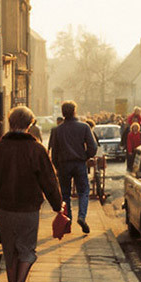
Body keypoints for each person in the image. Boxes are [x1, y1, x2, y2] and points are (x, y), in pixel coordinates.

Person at [0, 106, 64, 282]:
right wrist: (57, 205)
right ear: (30, 124)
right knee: (27, 250)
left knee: (10, 251)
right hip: (29, 208)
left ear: (10, 123)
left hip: (5, 207)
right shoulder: (36, 149)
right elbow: (49, 180)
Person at [48, 100, 97, 233]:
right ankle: (81, 216)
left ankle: (67, 220)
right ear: (75, 111)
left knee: (65, 194)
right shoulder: (84, 127)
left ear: (63, 113)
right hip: (79, 163)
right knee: (83, 191)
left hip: (64, 164)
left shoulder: (57, 130)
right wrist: (85, 156)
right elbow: (93, 147)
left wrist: (57, 166)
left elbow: (54, 151)